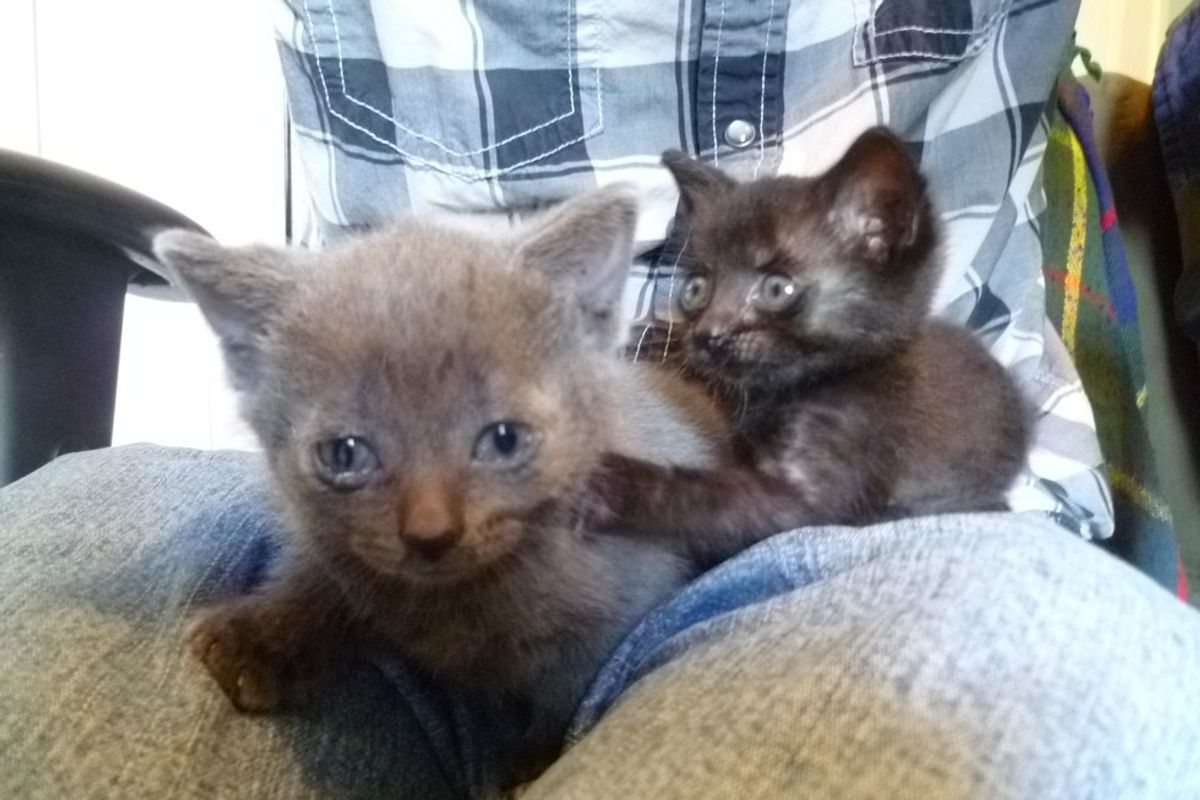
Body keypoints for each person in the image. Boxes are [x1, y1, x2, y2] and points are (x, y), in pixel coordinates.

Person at [2, 1, 1198, 797]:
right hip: (354, 366)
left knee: (1067, 707)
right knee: (41, 612)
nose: (427, 521)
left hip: (847, 531)